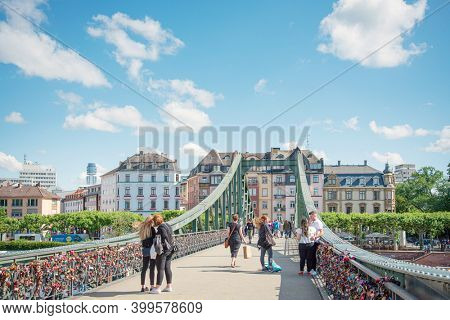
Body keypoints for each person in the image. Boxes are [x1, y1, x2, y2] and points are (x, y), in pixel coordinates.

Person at [151, 214, 175, 294]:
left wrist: (161, 245)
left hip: (163, 251)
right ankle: (169, 286)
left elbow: (163, 237)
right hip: (170, 249)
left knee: (160, 269)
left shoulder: (160, 228)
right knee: (168, 268)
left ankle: (157, 288)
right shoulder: (168, 225)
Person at [138, 216, 157, 292]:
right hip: (151, 250)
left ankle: (143, 287)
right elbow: (155, 239)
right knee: (152, 268)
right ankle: (152, 286)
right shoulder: (152, 229)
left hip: (145, 249)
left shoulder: (142, 229)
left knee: (144, 268)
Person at [308, 210, 324, 276]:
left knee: (313, 256)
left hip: (315, 242)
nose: (310, 216)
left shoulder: (318, 223)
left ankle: (314, 269)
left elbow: (322, 232)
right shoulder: (311, 222)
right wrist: (309, 221)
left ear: (314, 215)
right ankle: (311, 269)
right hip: (310, 241)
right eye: (310, 215)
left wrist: (315, 237)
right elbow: (308, 228)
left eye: (311, 215)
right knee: (310, 256)